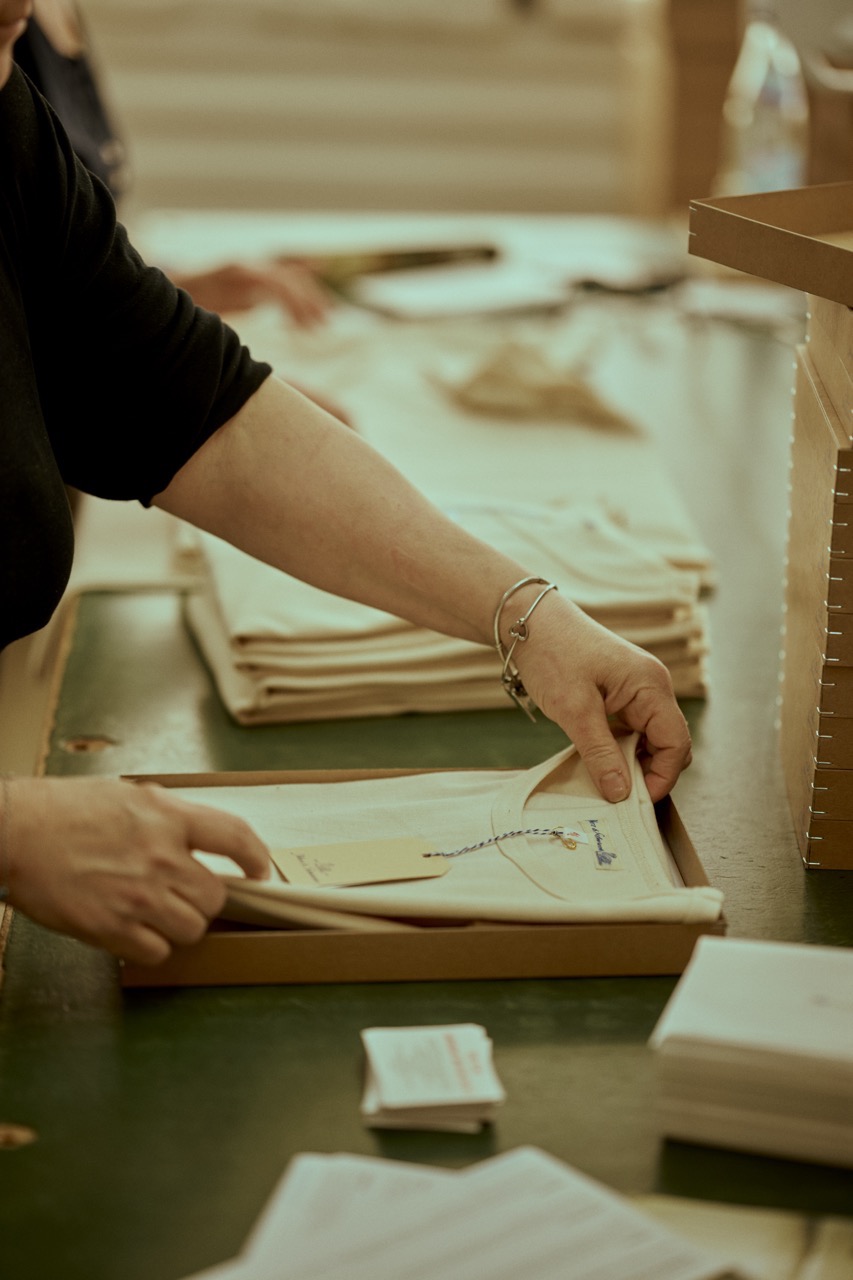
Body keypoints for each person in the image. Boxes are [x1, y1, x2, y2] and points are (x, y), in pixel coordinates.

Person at [0, 0, 692, 967]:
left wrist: (528, 614)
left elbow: (210, 422)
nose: (20, 15)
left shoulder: (7, 124)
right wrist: (12, 830)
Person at [15, 0, 332, 326]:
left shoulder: (58, 10)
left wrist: (179, 285)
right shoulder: (12, 25)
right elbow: (31, 302)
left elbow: (77, 258)